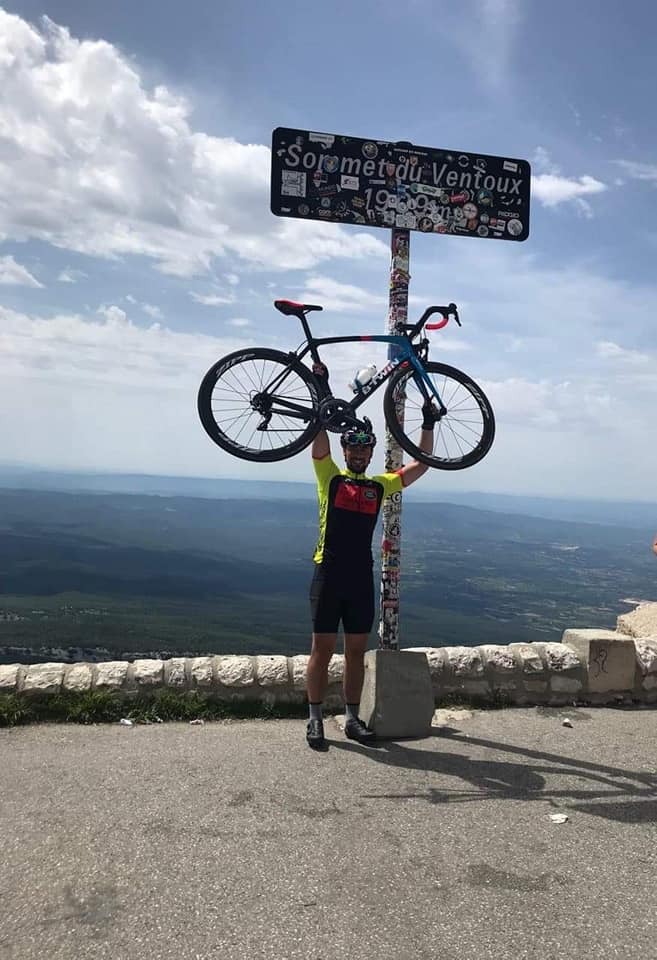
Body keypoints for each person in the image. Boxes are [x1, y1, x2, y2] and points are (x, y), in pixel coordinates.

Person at [306, 362, 439, 750]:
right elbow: (318, 441)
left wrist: (428, 424)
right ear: (346, 450)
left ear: (370, 452)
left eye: (366, 448)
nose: (360, 452)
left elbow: (421, 465)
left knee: (355, 652)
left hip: (360, 577)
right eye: (354, 447)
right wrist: (320, 390)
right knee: (321, 650)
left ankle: (351, 718)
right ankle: (314, 719)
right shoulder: (330, 477)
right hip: (327, 573)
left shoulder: (379, 485)